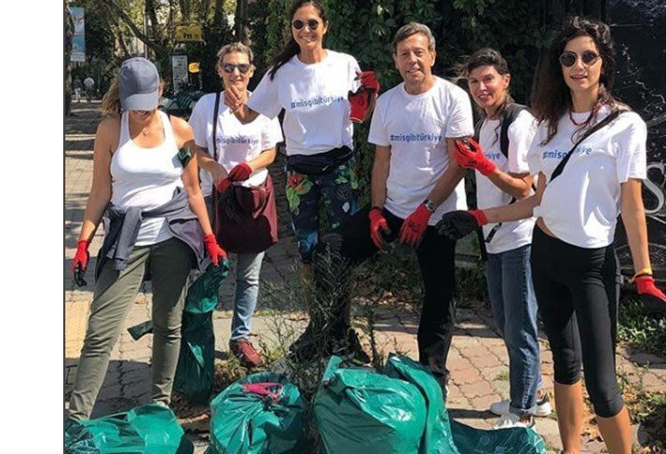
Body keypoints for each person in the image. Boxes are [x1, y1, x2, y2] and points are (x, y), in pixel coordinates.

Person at [436, 17, 666, 453]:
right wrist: (480, 217)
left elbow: (631, 203)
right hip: (545, 257)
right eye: (569, 58)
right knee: (565, 367)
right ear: (559, 65)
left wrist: (644, 272)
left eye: (589, 56)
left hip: (591, 266)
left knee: (604, 387)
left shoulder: (625, 124)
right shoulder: (549, 123)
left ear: (604, 63)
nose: (578, 65)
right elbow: (535, 201)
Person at [314, 22, 474, 394]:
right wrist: (374, 210)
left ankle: (432, 376)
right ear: (395, 61)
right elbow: (381, 163)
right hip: (394, 209)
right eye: (405, 54)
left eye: (419, 52)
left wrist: (427, 209)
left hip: (437, 213)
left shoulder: (453, 98)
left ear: (432, 56)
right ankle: (339, 343)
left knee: (439, 292)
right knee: (330, 252)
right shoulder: (387, 102)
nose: (412, 60)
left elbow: (459, 163)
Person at [67, 57, 227, 420]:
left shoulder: (180, 130)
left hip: (172, 235)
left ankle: (159, 407)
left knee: (168, 325)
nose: (142, 113)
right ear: (122, 99)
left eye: (148, 103)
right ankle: (76, 419)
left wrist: (209, 238)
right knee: (99, 330)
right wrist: (83, 243)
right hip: (127, 238)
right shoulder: (110, 130)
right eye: (134, 106)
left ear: (159, 91)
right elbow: (98, 193)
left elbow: (192, 189)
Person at [223, 0, 378, 285]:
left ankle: (339, 323)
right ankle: (317, 322)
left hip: (340, 165)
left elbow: (362, 114)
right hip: (300, 171)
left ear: (325, 26)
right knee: (307, 248)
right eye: (298, 24)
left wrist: (372, 95)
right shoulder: (281, 73)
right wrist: (235, 103)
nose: (305, 30)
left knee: (343, 247)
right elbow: (249, 116)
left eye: (312, 24)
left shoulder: (345, 64)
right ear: (291, 29)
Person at [453, 48, 550, 428]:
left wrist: (484, 165)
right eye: (474, 81)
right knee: (506, 321)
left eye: (488, 79)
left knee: (520, 326)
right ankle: (533, 395)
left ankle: (522, 410)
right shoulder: (486, 125)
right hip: (492, 236)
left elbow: (525, 189)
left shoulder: (518, 122)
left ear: (506, 80)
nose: (481, 87)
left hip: (520, 238)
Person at [188, 42, 283, 367]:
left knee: (249, 275)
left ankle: (240, 337)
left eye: (242, 67)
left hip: (254, 197)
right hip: (218, 198)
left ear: (252, 71)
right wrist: (215, 169)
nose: (235, 73)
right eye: (228, 67)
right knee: (213, 270)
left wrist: (250, 166)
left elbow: (271, 151)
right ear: (219, 70)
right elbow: (194, 147)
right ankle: (199, 336)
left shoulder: (264, 105)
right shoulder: (206, 105)